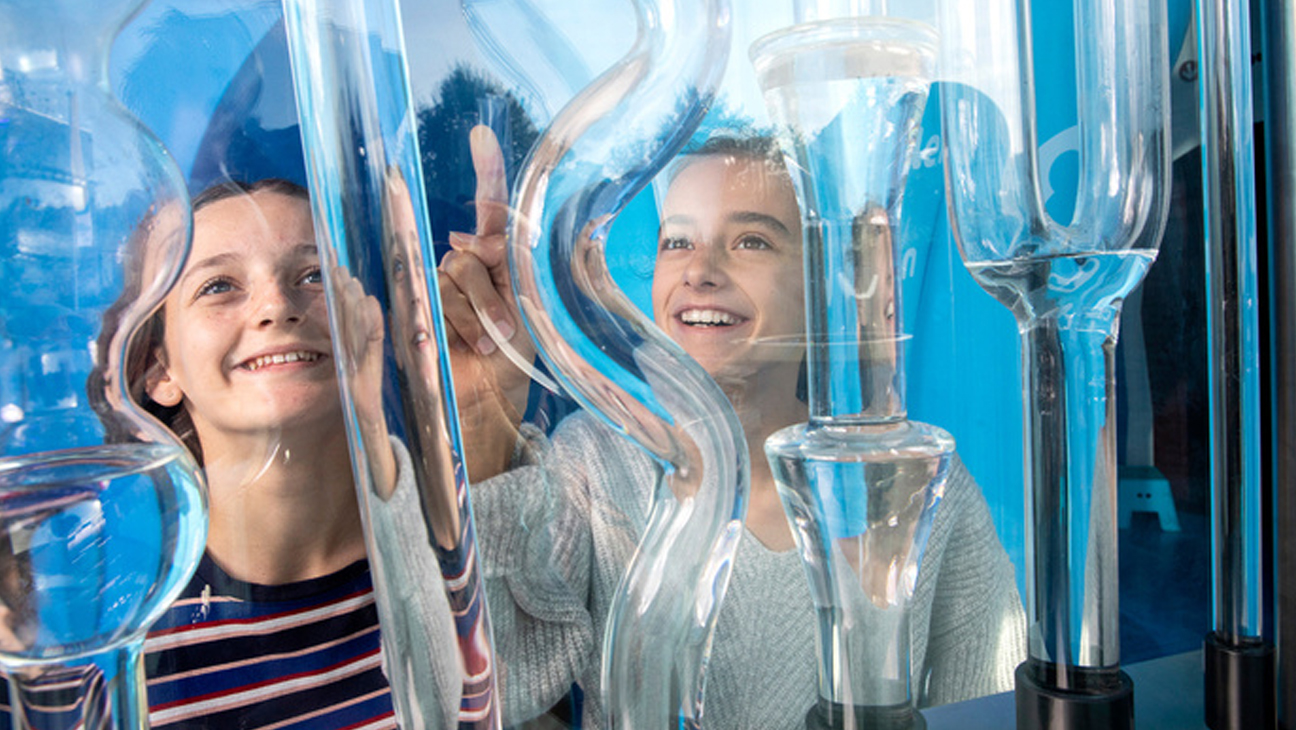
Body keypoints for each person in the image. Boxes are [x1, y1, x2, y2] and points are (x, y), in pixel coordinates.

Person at [438, 127, 1028, 729]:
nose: (700, 271)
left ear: (820, 285)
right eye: (677, 241)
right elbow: (490, 686)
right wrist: (485, 416)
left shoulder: (918, 486)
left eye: (750, 240)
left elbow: (992, 709)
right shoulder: (593, 459)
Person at [89, 179, 459, 729]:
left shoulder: (465, 525)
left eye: (312, 275)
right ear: (158, 371)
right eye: (218, 286)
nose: (276, 307)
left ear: (368, 320)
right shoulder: (95, 622)